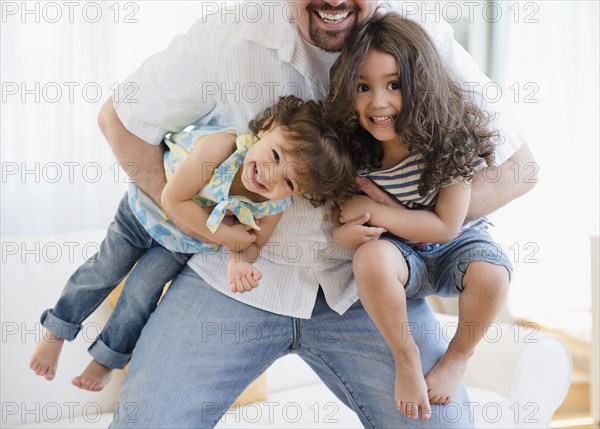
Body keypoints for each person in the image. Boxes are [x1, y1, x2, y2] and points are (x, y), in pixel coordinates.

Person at [98, 1, 535, 427]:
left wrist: (397, 218)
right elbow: (120, 121)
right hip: (234, 281)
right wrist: (202, 227)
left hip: (363, 291)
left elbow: (518, 169)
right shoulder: (226, 34)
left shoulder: (415, 36)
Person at [30, 95, 353, 392]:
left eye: (289, 181)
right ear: (266, 129)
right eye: (275, 155)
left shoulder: (272, 206)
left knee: (141, 295)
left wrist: (240, 261)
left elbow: (252, 244)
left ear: (299, 194)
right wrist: (225, 236)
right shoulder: (221, 147)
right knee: (103, 269)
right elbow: (173, 198)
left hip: (179, 245)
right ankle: (57, 330)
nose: (270, 175)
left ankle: (105, 361)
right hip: (143, 212)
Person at [327, 12, 512, 419]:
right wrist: (347, 234)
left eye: (394, 85)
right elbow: (341, 228)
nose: (378, 102)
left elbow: (446, 226)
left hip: (456, 246)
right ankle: (406, 358)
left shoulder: (448, 138)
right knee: (368, 258)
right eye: (362, 87)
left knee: (493, 274)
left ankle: (458, 356)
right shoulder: (352, 153)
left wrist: (376, 209)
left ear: (420, 84)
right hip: (400, 257)